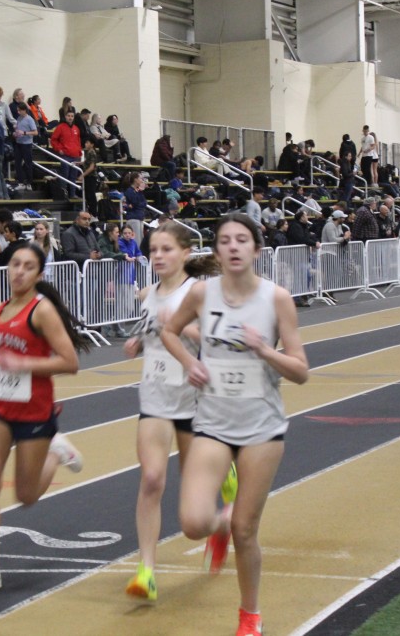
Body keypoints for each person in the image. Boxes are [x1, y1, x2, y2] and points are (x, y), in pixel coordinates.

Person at [161, 213, 309, 636]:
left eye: (242, 239)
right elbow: (170, 331)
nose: (233, 246)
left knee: (246, 530)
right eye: (225, 240)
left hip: (262, 427)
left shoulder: (277, 299)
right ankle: (219, 523)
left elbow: (301, 371)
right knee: (193, 524)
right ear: (217, 251)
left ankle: (250, 616)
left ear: (256, 249)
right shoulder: (202, 293)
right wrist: (190, 362)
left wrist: (265, 350)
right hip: (212, 422)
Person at [0, 242, 89, 595]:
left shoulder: (42, 311)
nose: (19, 271)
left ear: (39, 274)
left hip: (34, 410)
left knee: (26, 496)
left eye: (28, 266)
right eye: (15, 264)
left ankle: (56, 452)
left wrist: (24, 363)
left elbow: (70, 362)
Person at [123, 222, 222, 601]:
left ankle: (220, 525)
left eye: (166, 249)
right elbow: (153, 334)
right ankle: (146, 571)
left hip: (194, 403)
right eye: (153, 250)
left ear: (185, 252)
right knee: (151, 479)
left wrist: (180, 328)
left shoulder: (199, 293)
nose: (158, 256)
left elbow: (219, 340)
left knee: (195, 514)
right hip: (155, 399)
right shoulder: (148, 294)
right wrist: (139, 341)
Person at [13, 103, 37, 191]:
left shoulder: (30, 119)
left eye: (20, 110)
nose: (18, 112)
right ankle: (20, 182)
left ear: (24, 110)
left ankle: (29, 182)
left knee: (28, 164)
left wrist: (24, 133)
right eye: (18, 110)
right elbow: (18, 130)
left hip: (27, 144)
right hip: (18, 143)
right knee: (17, 164)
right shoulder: (19, 118)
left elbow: (35, 132)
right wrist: (15, 133)